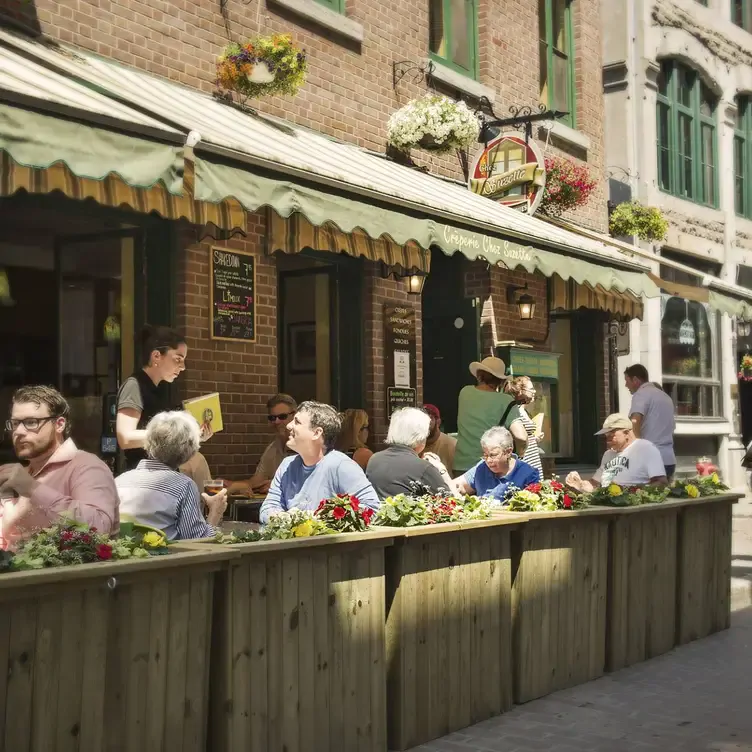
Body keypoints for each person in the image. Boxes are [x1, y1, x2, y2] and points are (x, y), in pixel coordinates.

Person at [0, 386, 119, 550]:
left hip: (66, 574)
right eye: (15, 423)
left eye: (31, 422)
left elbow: (99, 528)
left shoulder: (87, 466)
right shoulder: (20, 473)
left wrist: (32, 489)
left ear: (59, 424)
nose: (19, 431)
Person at [260, 401, 380, 524]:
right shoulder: (286, 465)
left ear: (317, 433)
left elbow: (372, 508)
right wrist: (285, 519)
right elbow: (268, 507)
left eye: (297, 422)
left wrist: (321, 520)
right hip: (292, 542)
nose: (289, 426)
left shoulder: (341, 466)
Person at [116, 412, 228, 540]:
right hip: (165, 559)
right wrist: (215, 512)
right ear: (190, 453)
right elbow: (197, 541)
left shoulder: (118, 482)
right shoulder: (184, 486)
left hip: (124, 557)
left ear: (148, 443)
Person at [116, 325, 210, 471]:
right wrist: (176, 434)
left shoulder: (165, 388)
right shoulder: (134, 386)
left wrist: (194, 435)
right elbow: (125, 438)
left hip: (165, 475)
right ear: (156, 356)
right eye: (178, 359)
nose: (183, 367)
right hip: (142, 477)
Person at [454, 356, 528, 474]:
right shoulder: (506, 401)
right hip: (490, 466)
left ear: (479, 376)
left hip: (462, 465)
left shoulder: (464, 392)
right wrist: (520, 455)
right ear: (501, 380)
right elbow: (521, 437)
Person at [565, 414, 668, 492]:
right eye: (606, 436)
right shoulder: (608, 455)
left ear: (627, 433)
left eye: (611, 435)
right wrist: (580, 484)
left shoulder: (646, 449)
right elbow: (595, 484)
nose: (607, 440)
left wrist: (632, 493)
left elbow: (661, 482)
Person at [366, 407, 450, 499]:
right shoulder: (425, 468)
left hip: (379, 513)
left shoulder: (374, 459)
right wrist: (441, 470)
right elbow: (449, 503)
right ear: (420, 437)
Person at [227, 394, 297, 495]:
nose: (276, 422)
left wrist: (277, 485)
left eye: (282, 417)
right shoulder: (273, 448)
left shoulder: (304, 446)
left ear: (294, 416)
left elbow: (310, 481)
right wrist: (232, 485)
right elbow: (257, 481)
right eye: (272, 418)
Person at [452, 426, 540, 501]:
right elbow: (458, 485)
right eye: (485, 455)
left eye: (493, 455)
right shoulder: (482, 467)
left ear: (508, 452)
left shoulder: (528, 474)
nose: (488, 460)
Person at [624, 364, 677, 479]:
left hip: (651, 461)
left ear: (635, 380)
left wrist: (635, 449)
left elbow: (635, 421)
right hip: (669, 459)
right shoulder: (666, 397)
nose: (625, 385)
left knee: (643, 495)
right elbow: (672, 427)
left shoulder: (641, 394)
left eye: (627, 380)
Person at [504, 376, 544, 476]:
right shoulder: (514, 410)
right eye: (531, 389)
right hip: (523, 457)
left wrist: (534, 438)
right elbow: (517, 436)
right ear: (521, 391)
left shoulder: (523, 410)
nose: (534, 391)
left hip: (532, 455)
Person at [422, 404, 456, 475]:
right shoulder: (415, 445)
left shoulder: (452, 445)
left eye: (429, 418)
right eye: (422, 419)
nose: (424, 423)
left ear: (438, 422)